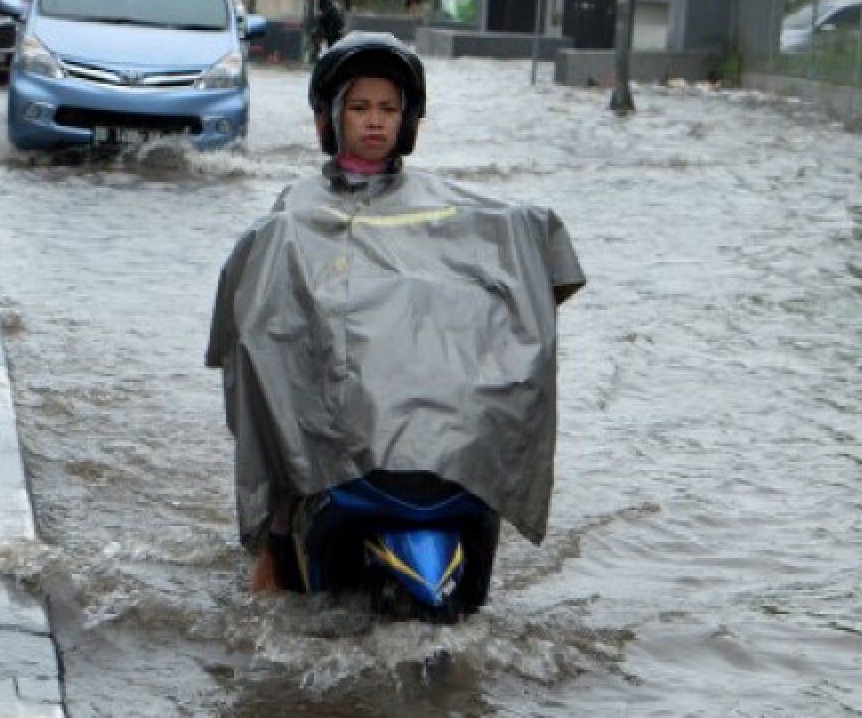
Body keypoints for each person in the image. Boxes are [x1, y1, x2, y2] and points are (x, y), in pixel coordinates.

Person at [206, 32, 585, 598]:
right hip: (338, 395)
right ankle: (279, 542)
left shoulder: (448, 205)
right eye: (359, 107)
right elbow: (261, 309)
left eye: (388, 108)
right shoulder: (295, 211)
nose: (375, 121)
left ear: (408, 121)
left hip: (423, 418)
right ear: (329, 119)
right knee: (277, 397)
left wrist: (536, 256)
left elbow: (511, 239)